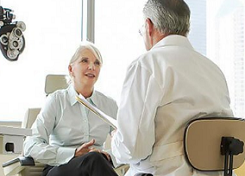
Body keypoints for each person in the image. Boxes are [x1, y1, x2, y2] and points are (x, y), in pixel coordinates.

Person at [111, 0, 233, 176]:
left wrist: (116, 140)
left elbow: (133, 148)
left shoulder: (147, 65)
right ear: (186, 27)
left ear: (149, 25)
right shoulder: (214, 70)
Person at [24, 41, 118, 176]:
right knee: (93, 160)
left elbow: (128, 146)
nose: (92, 66)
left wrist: (107, 155)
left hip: (97, 167)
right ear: (70, 69)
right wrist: (73, 153)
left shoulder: (109, 105)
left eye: (97, 63)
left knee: (97, 159)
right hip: (60, 169)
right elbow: (30, 145)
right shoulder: (56, 101)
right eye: (85, 61)